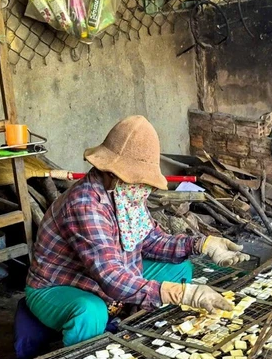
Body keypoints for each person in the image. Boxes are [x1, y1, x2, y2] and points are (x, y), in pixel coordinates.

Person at [26, 115, 249, 346]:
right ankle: (79, 357)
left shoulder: (125, 195)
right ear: (111, 173)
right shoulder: (85, 205)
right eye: (136, 181)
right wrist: (184, 295)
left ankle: (134, 323)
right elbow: (112, 277)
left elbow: (151, 240)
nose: (142, 189)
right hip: (62, 286)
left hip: (112, 275)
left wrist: (202, 244)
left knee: (179, 269)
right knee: (90, 313)